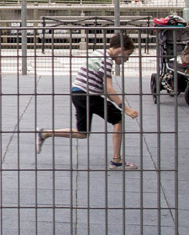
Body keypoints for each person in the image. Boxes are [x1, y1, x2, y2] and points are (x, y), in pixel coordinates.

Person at [35, 32, 139, 169]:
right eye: (128, 55)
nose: (127, 59)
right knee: (118, 119)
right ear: (120, 49)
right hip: (88, 95)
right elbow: (108, 89)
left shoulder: (98, 53)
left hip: (77, 93)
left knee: (82, 132)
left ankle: (45, 133)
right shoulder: (106, 60)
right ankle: (116, 160)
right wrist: (125, 108)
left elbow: (103, 88)